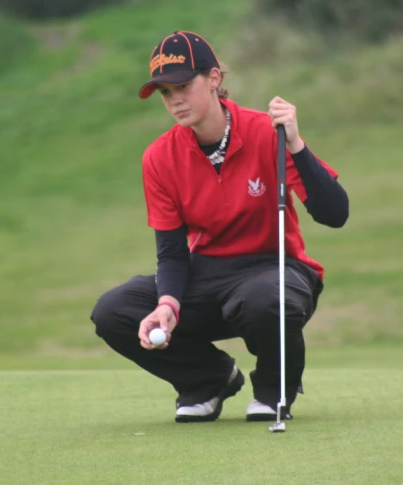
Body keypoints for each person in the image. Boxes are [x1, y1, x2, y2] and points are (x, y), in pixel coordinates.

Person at [90, 30, 349, 423]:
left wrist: (295, 144)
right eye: (164, 92)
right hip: (206, 275)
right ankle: (208, 380)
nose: (174, 99)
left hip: (277, 269)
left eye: (182, 85)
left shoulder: (269, 132)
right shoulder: (159, 157)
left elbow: (335, 213)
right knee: (114, 309)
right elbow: (172, 254)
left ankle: (273, 390)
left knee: (266, 297)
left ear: (214, 79)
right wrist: (168, 304)